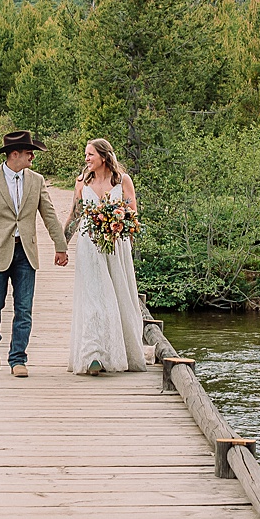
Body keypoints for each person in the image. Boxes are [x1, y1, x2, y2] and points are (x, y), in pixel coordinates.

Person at [0, 130, 67, 377]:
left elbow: (49, 215)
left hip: (26, 251)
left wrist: (61, 245)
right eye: (28, 152)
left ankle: (18, 359)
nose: (32, 156)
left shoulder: (37, 180)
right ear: (15, 154)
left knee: (24, 308)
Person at [66, 137, 147, 376]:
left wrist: (119, 225)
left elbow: (133, 216)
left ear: (103, 156)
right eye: (85, 155)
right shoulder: (82, 182)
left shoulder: (122, 181)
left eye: (90, 154)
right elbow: (74, 215)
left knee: (117, 296)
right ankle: (93, 355)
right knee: (93, 298)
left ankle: (120, 351)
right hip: (88, 247)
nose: (86, 159)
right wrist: (61, 246)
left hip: (116, 247)